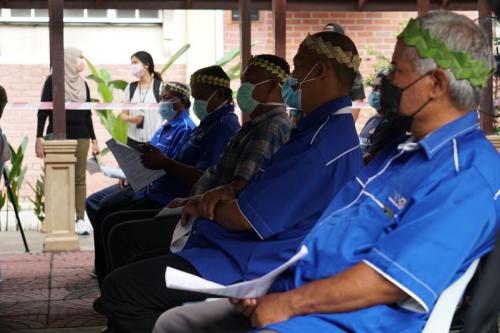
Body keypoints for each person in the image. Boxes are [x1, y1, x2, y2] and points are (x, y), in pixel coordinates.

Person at [153, 11, 500, 333]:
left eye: (396, 71)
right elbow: (336, 237)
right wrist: (270, 287)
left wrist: (285, 303)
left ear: (436, 84)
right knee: (175, 322)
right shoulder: (400, 153)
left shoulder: (468, 175)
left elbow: (388, 281)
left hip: (342, 320)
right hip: (303, 293)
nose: (385, 81)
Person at [97, 32, 363, 333]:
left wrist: (204, 205)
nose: (294, 77)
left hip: (251, 264)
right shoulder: (324, 133)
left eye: (298, 66)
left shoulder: (318, 145)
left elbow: (242, 218)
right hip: (242, 248)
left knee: (122, 289)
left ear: (320, 71)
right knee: (134, 254)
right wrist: (228, 191)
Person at [96, 55, 292, 282]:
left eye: (250, 82)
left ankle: (121, 295)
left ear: (271, 86)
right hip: (190, 203)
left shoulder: (264, 128)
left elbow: (237, 186)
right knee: (112, 219)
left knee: (122, 232)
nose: (243, 88)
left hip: (210, 217)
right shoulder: (246, 126)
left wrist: (194, 199)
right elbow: (217, 174)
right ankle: (119, 292)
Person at [87, 81, 196, 286]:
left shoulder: (185, 129)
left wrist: (141, 173)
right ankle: (106, 272)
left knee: (108, 213)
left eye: (166, 99)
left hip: (160, 193)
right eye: (161, 98)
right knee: (98, 205)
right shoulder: (165, 128)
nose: (161, 103)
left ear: (181, 103)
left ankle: (110, 278)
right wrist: (130, 170)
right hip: (144, 184)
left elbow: (169, 165)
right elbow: (148, 155)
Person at [35, 47, 100, 235]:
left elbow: (87, 114)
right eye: (79, 57)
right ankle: (56, 219)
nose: (82, 61)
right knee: (57, 179)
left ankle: (80, 219)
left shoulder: (83, 84)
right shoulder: (52, 82)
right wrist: (39, 136)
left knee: (79, 178)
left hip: (82, 135)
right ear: (69, 59)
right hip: (57, 135)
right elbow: (43, 111)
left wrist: (94, 139)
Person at [120, 51, 163, 149]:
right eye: (131, 64)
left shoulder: (160, 86)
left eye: (135, 62)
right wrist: (131, 119)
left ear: (146, 65)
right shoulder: (130, 87)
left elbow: (167, 115)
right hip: (132, 140)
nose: (133, 66)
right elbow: (123, 115)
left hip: (154, 141)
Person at [323, 22, 366, 122]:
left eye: (330, 36)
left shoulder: (350, 70)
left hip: (335, 126)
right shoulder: (312, 66)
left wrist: (347, 128)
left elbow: (357, 101)